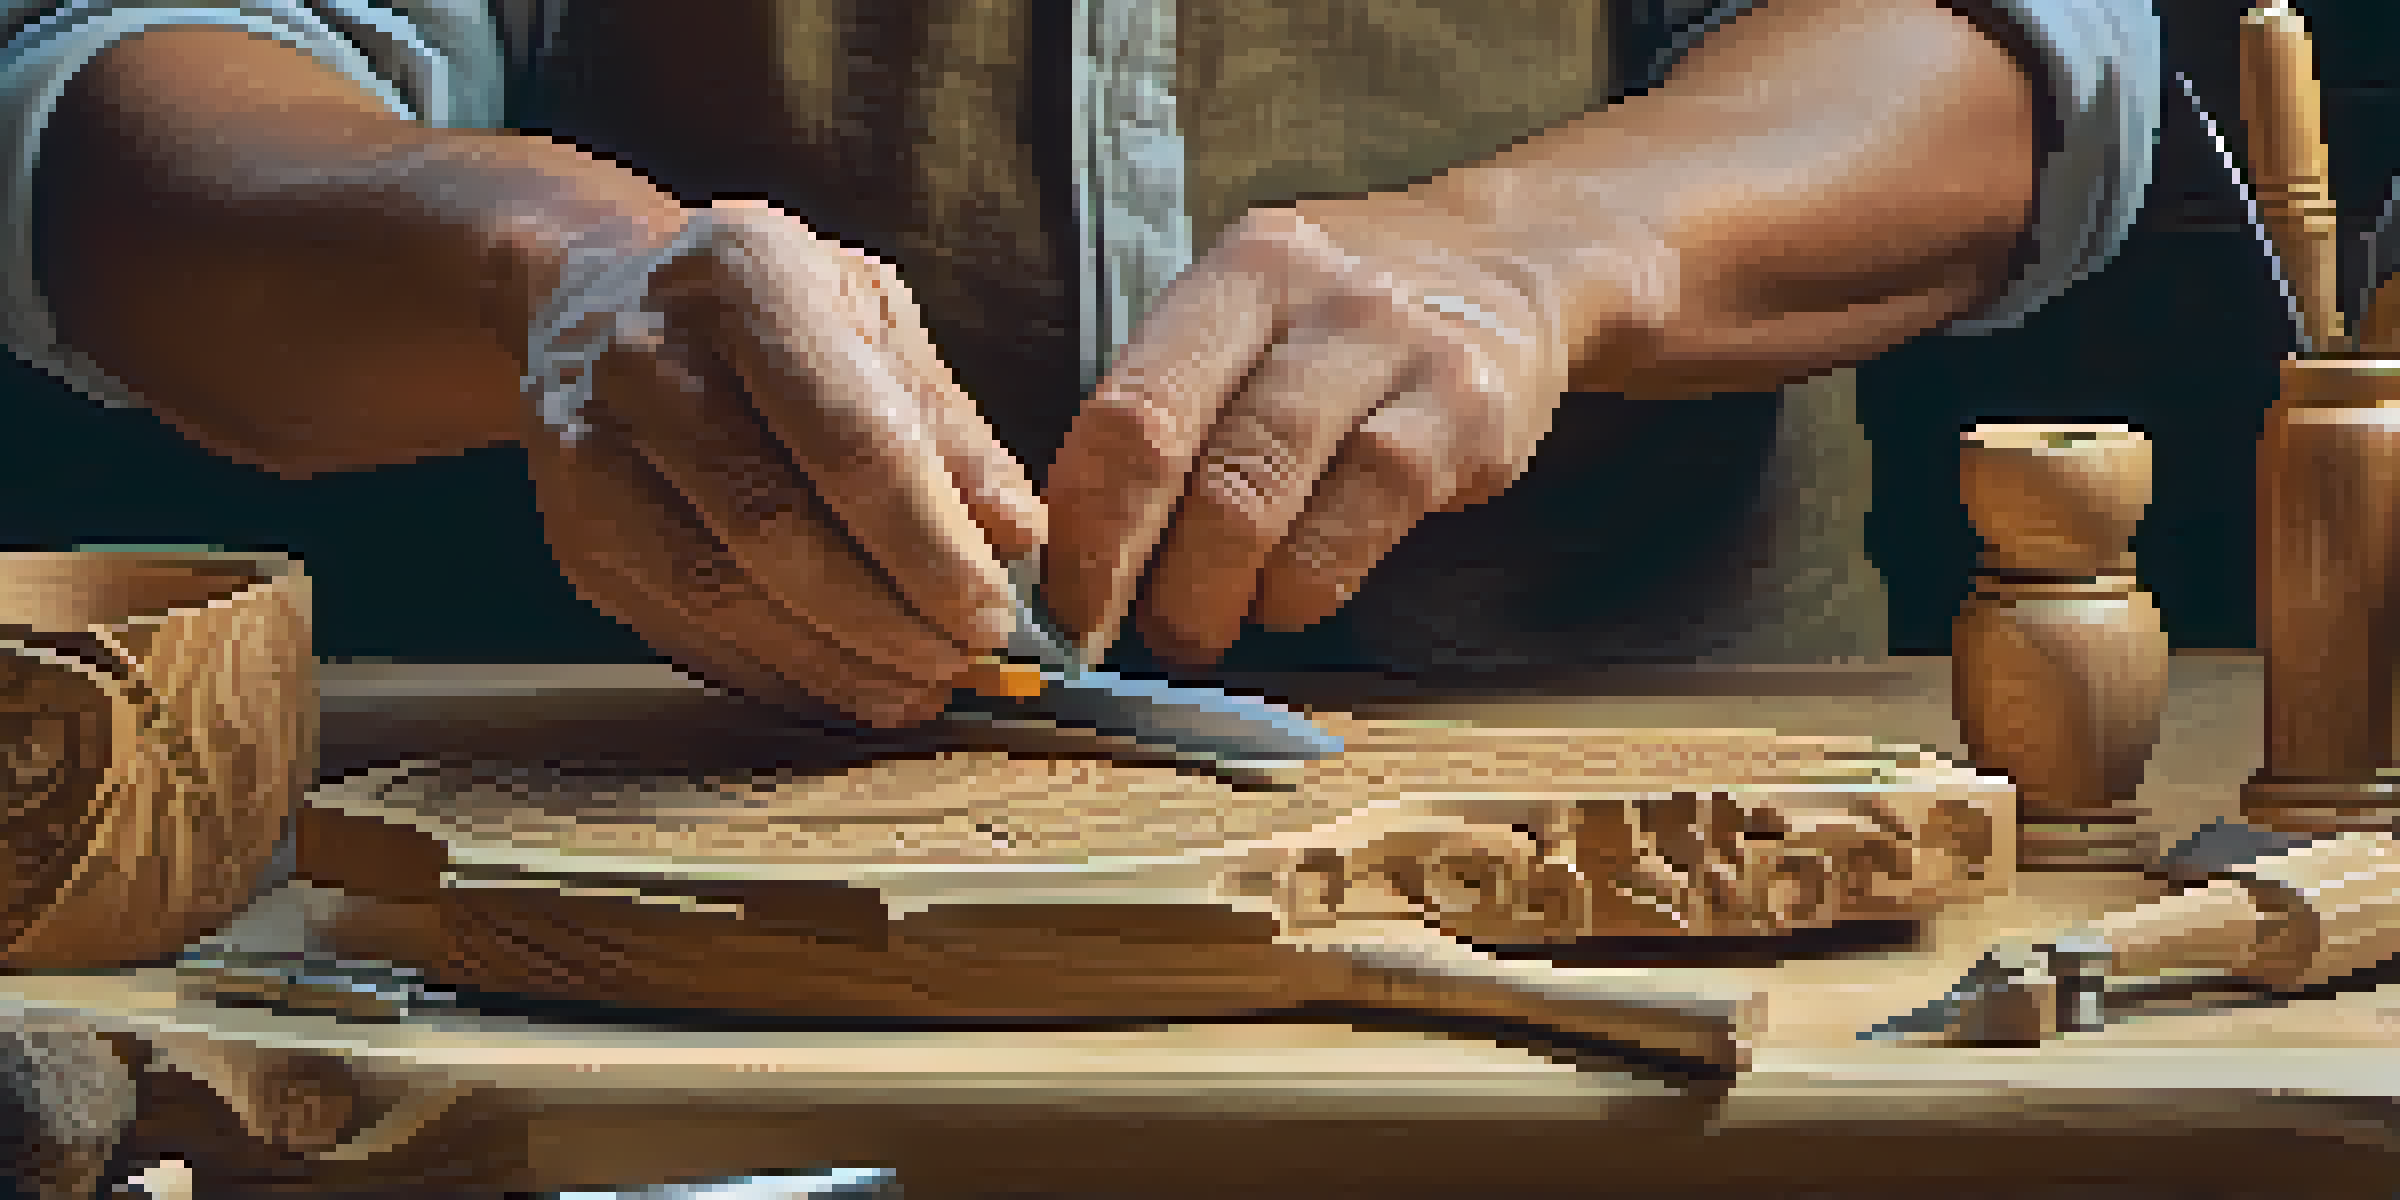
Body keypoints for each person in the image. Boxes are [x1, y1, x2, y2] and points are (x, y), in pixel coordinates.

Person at [1, 0, 2159, 728]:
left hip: (1639, 843)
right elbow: (116, 125)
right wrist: (555, 277)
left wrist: (1559, 249)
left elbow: (2016, 63)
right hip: (674, 875)